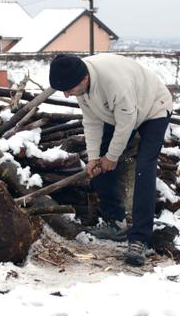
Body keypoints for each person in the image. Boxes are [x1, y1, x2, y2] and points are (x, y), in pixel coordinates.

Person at [49, 53, 172, 266]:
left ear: (84, 79)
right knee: (97, 166)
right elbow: (91, 121)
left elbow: (127, 122)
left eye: (69, 90)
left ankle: (139, 238)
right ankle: (116, 221)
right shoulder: (80, 82)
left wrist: (112, 157)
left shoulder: (114, 82)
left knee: (145, 166)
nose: (68, 95)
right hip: (119, 113)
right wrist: (96, 157)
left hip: (153, 107)